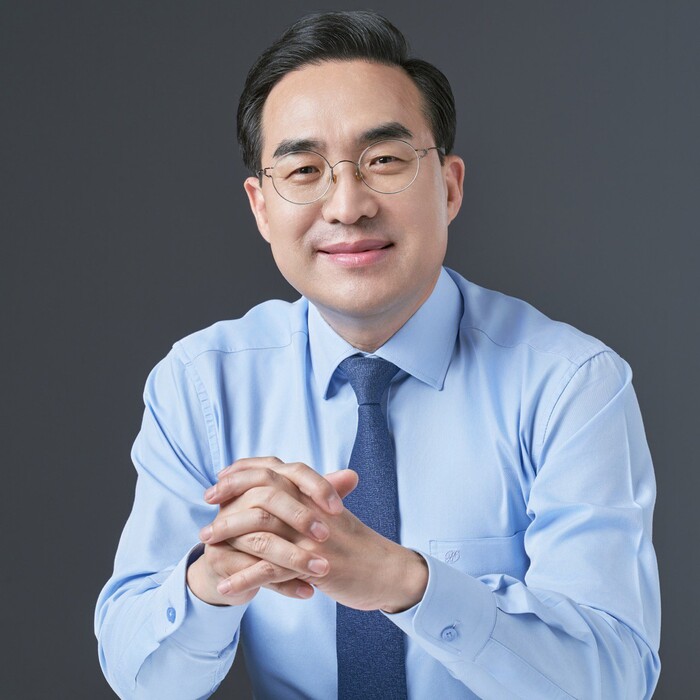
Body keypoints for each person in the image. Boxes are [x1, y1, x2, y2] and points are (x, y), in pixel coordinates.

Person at [95, 10, 661, 699]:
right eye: (304, 170)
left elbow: (614, 679)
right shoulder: (203, 384)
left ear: (448, 186)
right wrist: (211, 583)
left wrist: (402, 583)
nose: (347, 205)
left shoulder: (570, 383)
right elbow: (143, 681)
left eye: (384, 161)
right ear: (262, 208)